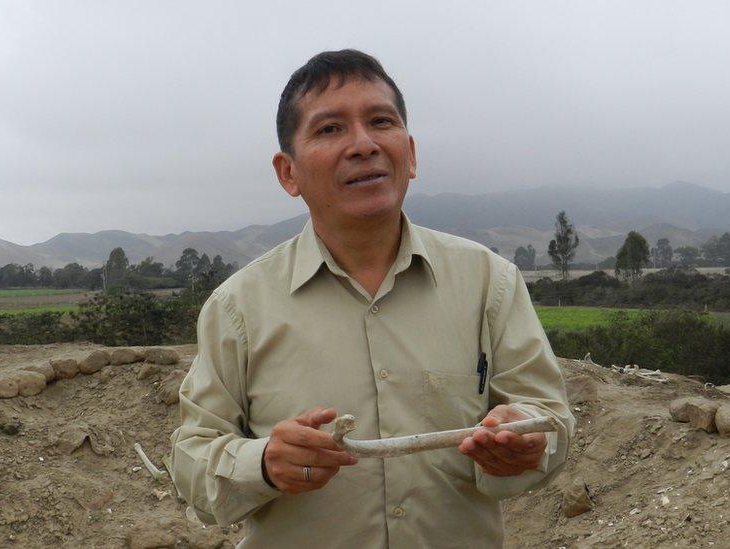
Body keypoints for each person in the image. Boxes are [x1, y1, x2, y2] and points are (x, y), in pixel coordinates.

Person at [169, 49, 575, 548]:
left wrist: (528, 443)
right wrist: (264, 463)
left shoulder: (490, 282)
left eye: (381, 121)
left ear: (411, 152)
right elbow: (190, 461)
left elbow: (550, 420)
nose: (363, 145)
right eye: (329, 129)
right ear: (287, 173)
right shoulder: (238, 307)